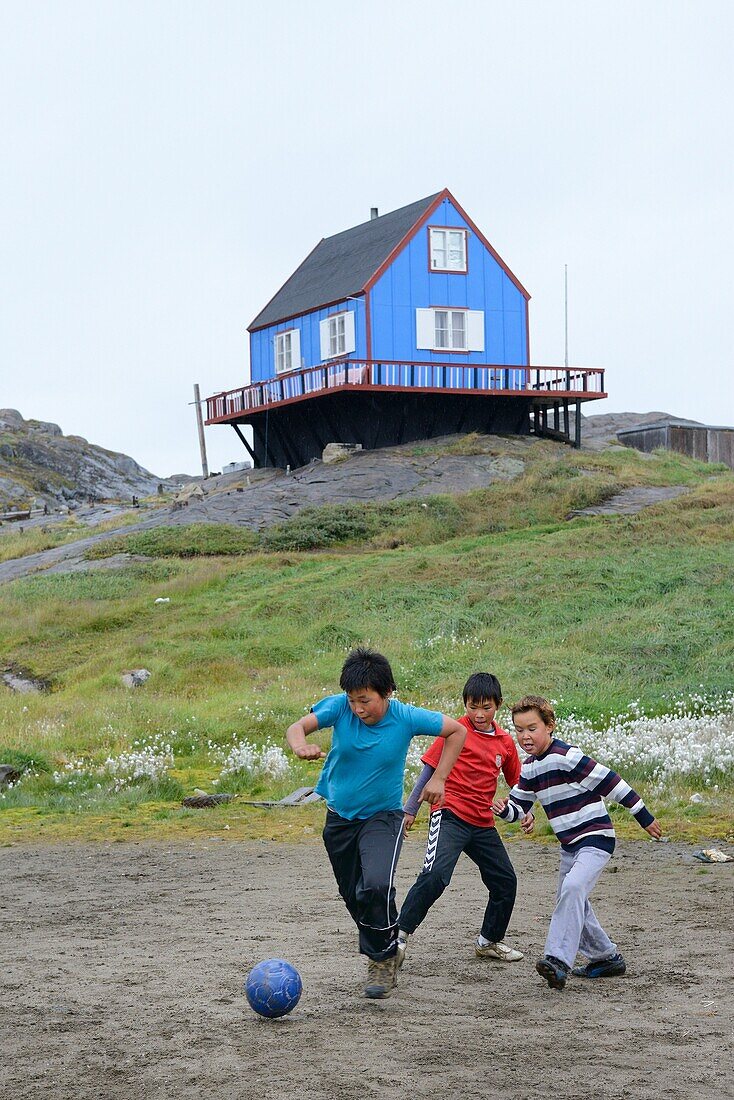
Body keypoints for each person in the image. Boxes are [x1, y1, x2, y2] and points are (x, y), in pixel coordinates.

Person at [285, 647, 465, 1000]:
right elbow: (298, 727)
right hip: (339, 819)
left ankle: (381, 959)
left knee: (377, 885)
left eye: (365, 700)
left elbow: (456, 731)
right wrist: (300, 745)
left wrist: (439, 778)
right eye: (353, 700)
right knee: (354, 894)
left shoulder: (407, 717)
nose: (358, 708)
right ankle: (388, 938)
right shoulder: (338, 707)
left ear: (386, 693)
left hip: (383, 818)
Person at [492, 695, 662, 989]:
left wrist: (643, 815)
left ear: (550, 726)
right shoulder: (530, 767)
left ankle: (557, 961)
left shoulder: (567, 756)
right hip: (569, 846)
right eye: (519, 730)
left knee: (572, 890)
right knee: (571, 901)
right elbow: (519, 807)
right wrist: (504, 809)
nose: (525, 736)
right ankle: (606, 958)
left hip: (595, 839)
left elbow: (610, 781)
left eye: (532, 728)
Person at [397, 672, 530, 967]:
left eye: (486, 707)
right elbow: (429, 774)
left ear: (498, 705)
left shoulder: (505, 743)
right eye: (473, 707)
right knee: (435, 876)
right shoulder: (455, 731)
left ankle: (488, 941)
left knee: (505, 880)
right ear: (465, 704)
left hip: (482, 822)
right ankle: (398, 937)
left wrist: (527, 812)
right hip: (450, 814)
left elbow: (519, 785)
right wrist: (409, 811)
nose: (479, 714)